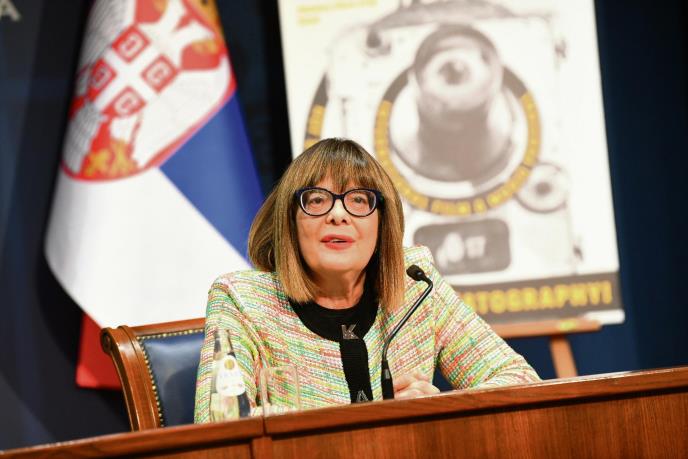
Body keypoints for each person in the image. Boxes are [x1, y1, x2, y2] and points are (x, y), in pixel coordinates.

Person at [194, 138, 539, 422]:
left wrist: (436, 409)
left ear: (382, 223)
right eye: (317, 200)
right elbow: (220, 418)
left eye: (359, 200)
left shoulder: (415, 283)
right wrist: (371, 417)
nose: (338, 214)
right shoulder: (243, 300)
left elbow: (519, 380)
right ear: (290, 222)